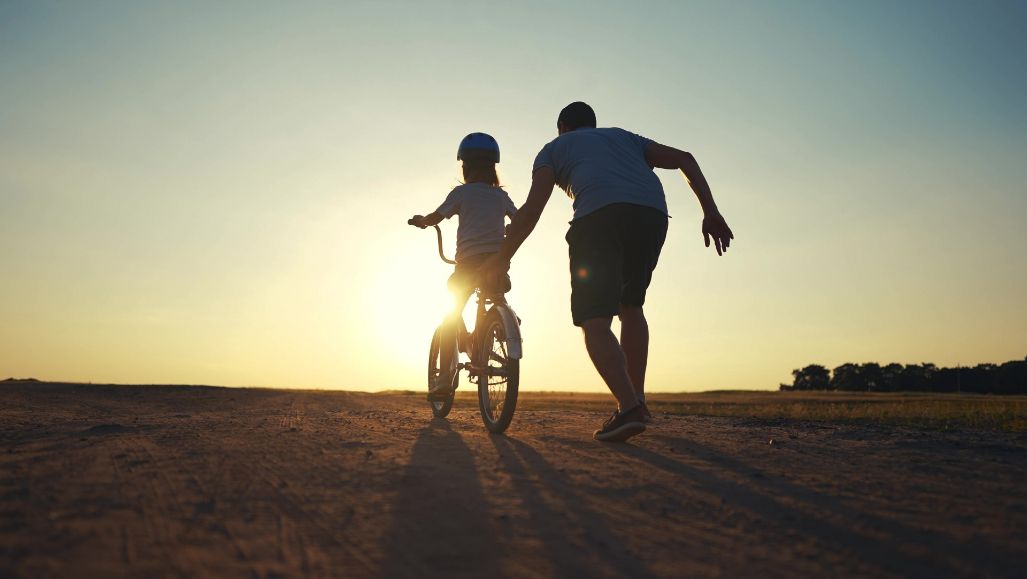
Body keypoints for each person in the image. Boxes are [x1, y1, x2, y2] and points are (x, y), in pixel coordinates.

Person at [482, 102, 734, 442]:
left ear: (563, 129)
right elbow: (685, 159)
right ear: (592, 124)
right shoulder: (624, 138)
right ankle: (638, 402)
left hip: (598, 219)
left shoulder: (553, 149)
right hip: (652, 215)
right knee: (631, 307)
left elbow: (531, 212)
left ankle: (628, 408)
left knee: (594, 319)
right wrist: (711, 212)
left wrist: (501, 258)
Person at [409, 132, 518, 398]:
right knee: (496, 296)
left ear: (464, 166)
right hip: (496, 266)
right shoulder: (501, 197)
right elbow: (519, 219)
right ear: (494, 168)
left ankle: (445, 379)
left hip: (467, 266)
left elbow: (437, 217)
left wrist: (422, 220)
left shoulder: (461, 193)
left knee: (451, 314)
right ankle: (500, 326)